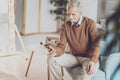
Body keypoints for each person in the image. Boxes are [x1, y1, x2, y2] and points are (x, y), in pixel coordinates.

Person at [47, 0, 100, 80]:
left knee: (88, 70)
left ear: (80, 13)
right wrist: (55, 51)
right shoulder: (65, 26)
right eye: (68, 14)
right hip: (74, 57)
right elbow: (61, 46)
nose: (70, 17)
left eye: (73, 14)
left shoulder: (90, 23)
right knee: (51, 59)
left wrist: (93, 61)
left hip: (88, 58)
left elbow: (96, 45)